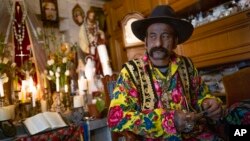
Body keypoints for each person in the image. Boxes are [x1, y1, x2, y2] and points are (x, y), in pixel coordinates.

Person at [107, 5, 225, 140]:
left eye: (166, 36)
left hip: (195, 134)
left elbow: (201, 97)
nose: (158, 42)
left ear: (175, 42)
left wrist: (209, 103)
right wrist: (168, 120)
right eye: (152, 36)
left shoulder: (187, 65)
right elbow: (115, 119)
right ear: (145, 41)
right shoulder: (130, 71)